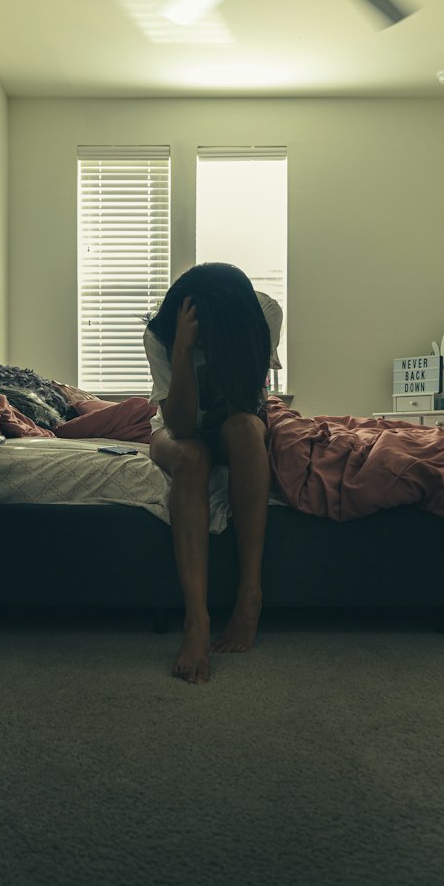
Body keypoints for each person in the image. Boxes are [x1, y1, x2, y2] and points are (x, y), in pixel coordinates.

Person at [144, 262, 283, 686]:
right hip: (176, 428)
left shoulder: (264, 315)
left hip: (234, 419)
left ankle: (249, 596)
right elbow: (182, 427)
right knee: (191, 458)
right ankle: (197, 621)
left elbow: (247, 405)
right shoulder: (161, 333)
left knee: (245, 433)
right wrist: (183, 351)